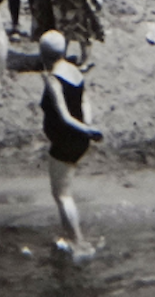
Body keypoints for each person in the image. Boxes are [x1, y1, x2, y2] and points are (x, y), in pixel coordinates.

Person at [39, 30, 102, 260]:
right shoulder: (74, 69)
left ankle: (78, 243)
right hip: (79, 138)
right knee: (65, 192)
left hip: (66, 139)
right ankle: (74, 237)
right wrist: (88, 125)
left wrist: (88, 130)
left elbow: (64, 116)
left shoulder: (53, 79)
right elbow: (84, 99)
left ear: (42, 53)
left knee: (62, 195)